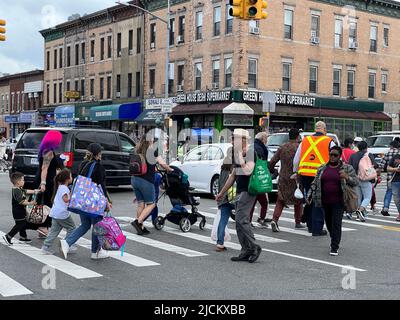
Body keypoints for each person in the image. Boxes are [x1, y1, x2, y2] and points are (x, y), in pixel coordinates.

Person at [215, 128, 262, 263]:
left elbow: (248, 171)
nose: (231, 140)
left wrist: (241, 157)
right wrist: (221, 193)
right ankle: (245, 250)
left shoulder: (251, 153)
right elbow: (233, 176)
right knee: (238, 222)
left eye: (234, 138)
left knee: (242, 220)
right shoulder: (237, 154)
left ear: (243, 140)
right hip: (240, 191)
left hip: (249, 191)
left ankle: (254, 247)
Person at [60, 143, 112, 260]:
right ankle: (96, 252)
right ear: (98, 154)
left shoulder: (83, 164)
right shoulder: (98, 167)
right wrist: (107, 202)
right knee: (97, 225)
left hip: (83, 201)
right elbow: (101, 186)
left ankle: (67, 242)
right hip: (93, 203)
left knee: (85, 225)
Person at [308, 146, 359, 256]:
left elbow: (355, 182)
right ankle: (334, 237)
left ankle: (334, 247)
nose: (332, 157)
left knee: (336, 223)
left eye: (335, 155)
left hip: (339, 201)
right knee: (329, 223)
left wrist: (347, 177)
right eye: (330, 154)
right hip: (324, 201)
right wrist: (310, 193)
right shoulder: (322, 168)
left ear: (339, 156)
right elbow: (315, 182)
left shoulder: (347, 168)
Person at [293, 121, 336, 236]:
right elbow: (335, 158)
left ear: (315, 129)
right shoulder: (329, 142)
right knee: (319, 201)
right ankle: (317, 228)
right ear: (325, 130)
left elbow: (296, 159)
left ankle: (310, 225)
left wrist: (296, 172)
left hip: (306, 174)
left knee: (310, 198)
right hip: (321, 175)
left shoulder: (306, 140)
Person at [131, 136, 174, 235]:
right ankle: (138, 222)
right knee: (151, 204)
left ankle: (140, 227)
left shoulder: (137, 150)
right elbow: (163, 164)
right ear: (150, 142)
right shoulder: (153, 151)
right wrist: (170, 169)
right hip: (145, 180)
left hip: (134, 179)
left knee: (140, 204)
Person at [269, 128, 305, 231]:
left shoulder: (282, 147)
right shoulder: (300, 147)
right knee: (298, 198)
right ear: (298, 136)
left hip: (284, 176)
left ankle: (274, 220)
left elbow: (272, 161)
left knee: (280, 199)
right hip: (296, 177)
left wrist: (271, 170)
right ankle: (298, 222)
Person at [34, 130, 65, 237]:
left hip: (45, 179)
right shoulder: (49, 152)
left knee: (44, 203)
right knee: (48, 204)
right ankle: (43, 227)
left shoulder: (45, 149)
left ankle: (42, 229)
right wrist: (43, 183)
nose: (60, 141)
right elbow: (44, 168)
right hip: (47, 180)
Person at [41, 169, 76, 255]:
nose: (72, 178)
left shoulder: (60, 187)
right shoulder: (64, 188)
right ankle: (67, 245)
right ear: (67, 179)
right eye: (71, 176)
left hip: (55, 213)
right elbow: (65, 200)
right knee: (72, 228)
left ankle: (45, 247)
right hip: (62, 214)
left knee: (54, 231)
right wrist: (72, 196)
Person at [2, 172, 40, 245]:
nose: (24, 181)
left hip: (18, 211)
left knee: (21, 223)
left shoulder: (18, 189)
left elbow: (26, 191)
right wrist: (30, 203)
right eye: (23, 180)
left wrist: (35, 191)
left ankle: (23, 237)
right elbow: (22, 202)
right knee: (20, 224)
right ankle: (8, 236)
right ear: (18, 182)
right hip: (18, 211)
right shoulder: (17, 191)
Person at [348, 141, 379, 222]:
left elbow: (349, 167)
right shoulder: (368, 155)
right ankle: (360, 210)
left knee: (358, 198)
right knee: (367, 197)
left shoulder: (353, 155)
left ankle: (359, 215)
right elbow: (375, 165)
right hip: (366, 179)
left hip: (355, 179)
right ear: (366, 147)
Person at [215, 146, 234, 252]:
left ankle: (219, 243)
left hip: (223, 196)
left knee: (223, 220)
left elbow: (220, 183)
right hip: (234, 196)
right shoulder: (235, 166)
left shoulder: (223, 166)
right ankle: (246, 244)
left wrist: (220, 195)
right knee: (242, 221)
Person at [249, 132, 269, 228]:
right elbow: (263, 164)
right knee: (263, 202)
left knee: (253, 202)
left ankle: (249, 221)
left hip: (250, 178)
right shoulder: (261, 149)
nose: (267, 140)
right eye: (266, 138)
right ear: (262, 139)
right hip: (258, 178)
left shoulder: (251, 146)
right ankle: (261, 220)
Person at [379, 140, 400, 216]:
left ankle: (385, 208)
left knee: (389, 192)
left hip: (390, 177)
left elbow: (381, 165)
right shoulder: (398, 153)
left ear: (391, 146)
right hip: (397, 178)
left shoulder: (387, 153)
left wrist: (379, 174)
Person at [387, 153, 400, 221]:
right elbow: (388, 168)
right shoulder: (396, 156)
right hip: (395, 181)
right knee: (396, 200)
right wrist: (395, 169)